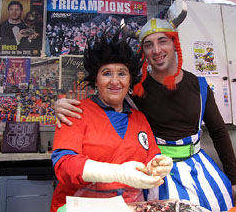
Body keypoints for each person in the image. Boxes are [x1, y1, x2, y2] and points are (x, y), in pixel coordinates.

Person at [54, 5, 236, 211]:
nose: (156, 50)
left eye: (162, 41)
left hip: (166, 182)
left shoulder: (143, 114)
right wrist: (58, 105)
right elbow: (66, 161)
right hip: (92, 201)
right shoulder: (125, 97)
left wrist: (235, 180)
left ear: (175, 44)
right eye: (148, 45)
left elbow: (217, 133)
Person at [50, 29, 173, 212]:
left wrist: (158, 165)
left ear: (130, 80)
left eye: (122, 74)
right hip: (79, 206)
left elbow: (151, 156)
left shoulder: (139, 118)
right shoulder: (74, 111)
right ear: (96, 80)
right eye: (107, 73)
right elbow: (65, 165)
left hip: (129, 207)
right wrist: (118, 173)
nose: (115, 81)